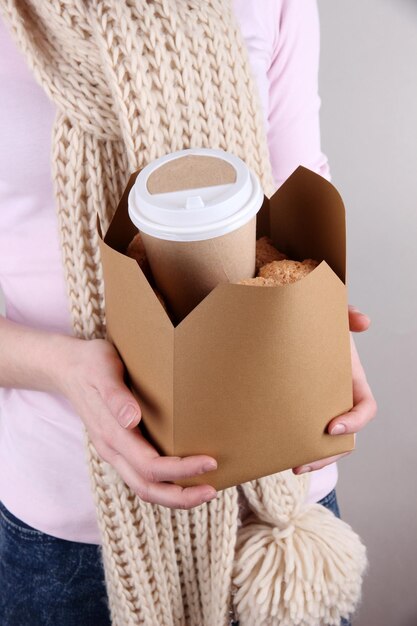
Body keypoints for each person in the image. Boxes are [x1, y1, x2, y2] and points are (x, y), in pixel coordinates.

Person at [0, 1, 376, 625]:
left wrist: (321, 332)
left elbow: (296, 187)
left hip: (274, 502)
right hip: (71, 531)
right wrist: (61, 368)